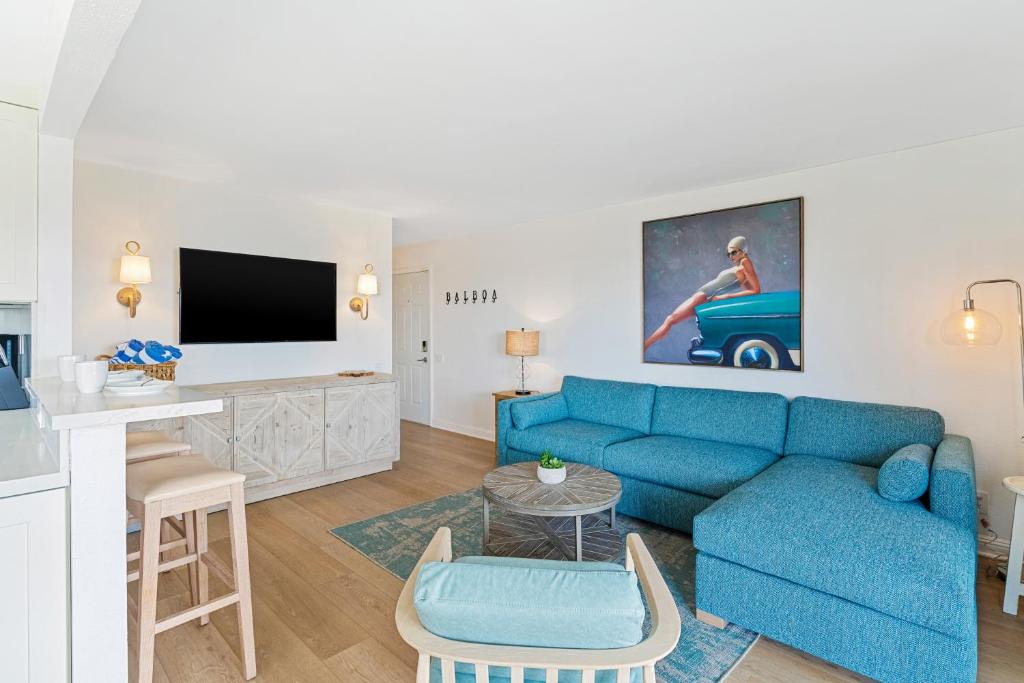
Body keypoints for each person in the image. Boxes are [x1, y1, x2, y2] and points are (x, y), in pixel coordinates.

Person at [644, 235, 761, 350]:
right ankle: (644, 347)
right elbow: (749, 289)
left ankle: (644, 346)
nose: (731, 256)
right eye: (728, 254)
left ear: (743, 251)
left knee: (670, 320)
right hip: (704, 296)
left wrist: (726, 297)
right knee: (671, 321)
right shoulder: (741, 267)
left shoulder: (745, 262)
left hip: (705, 296)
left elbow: (755, 291)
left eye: (734, 252)